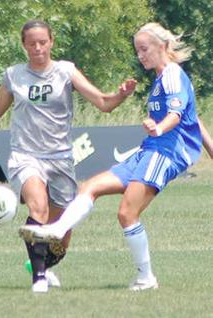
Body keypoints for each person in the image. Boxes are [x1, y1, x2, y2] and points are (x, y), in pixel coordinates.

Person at [19, 22, 208, 291]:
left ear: (163, 47)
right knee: (90, 187)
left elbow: (176, 116)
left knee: (127, 213)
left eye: (144, 49)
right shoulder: (161, 77)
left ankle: (146, 278)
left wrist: (159, 127)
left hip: (166, 152)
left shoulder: (172, 75)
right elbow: (194, 116)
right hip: (150, 149)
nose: (140, 55)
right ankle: (58, 229)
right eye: (137, 51)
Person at [0, 20, 137, 293]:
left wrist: (121, 95)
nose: (38, 48)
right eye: (31, 43)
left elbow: (103, 104)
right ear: (24, 45)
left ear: (51, 42)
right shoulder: (13, 75)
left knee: (60, 240)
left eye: (42, 42)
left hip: (61, 160)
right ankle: (39, 279)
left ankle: (40, 264)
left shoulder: (65, 71)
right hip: (25, 156)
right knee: (38, 208)